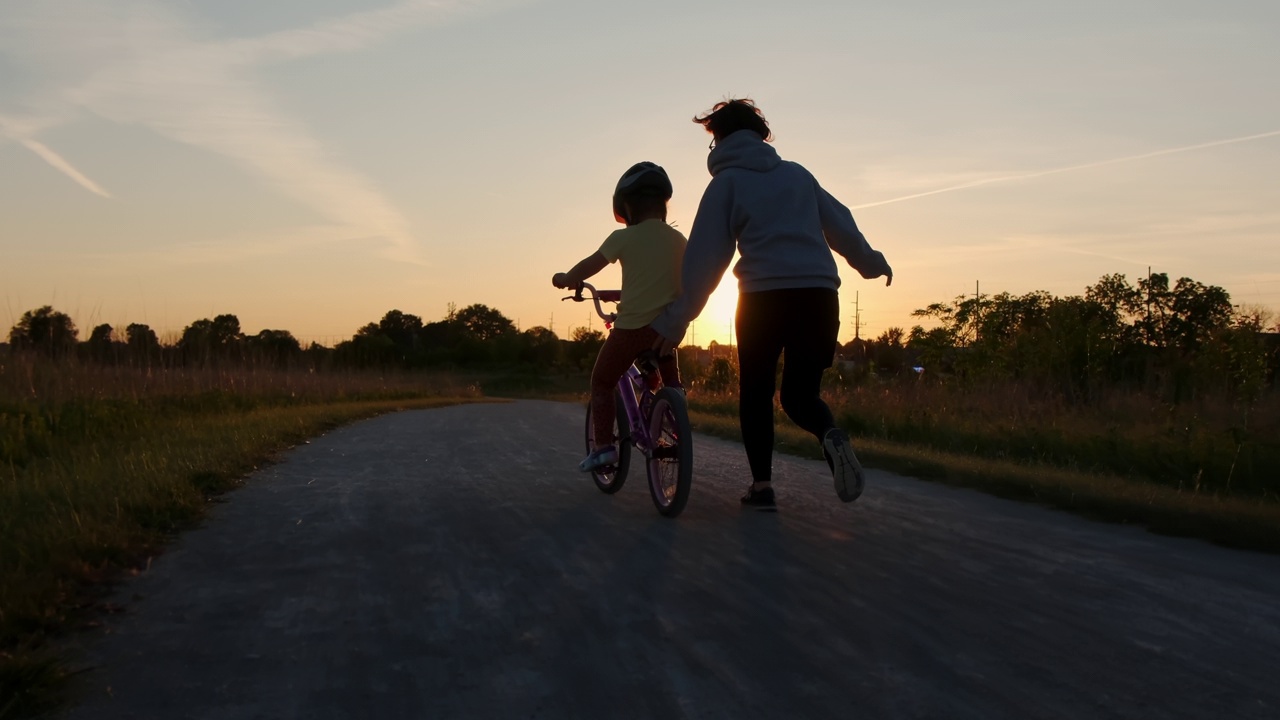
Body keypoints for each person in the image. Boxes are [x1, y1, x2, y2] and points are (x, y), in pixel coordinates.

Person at [650, 99, 892, 511]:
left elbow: (705, 263)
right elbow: (841, 224)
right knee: (800, 396)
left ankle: (762, 488)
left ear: (720, 140)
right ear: (762, 136)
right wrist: (871, 262)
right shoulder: (798, 175)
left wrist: (675, 322)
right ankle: (830, 433)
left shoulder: (726, 185)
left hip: (763, 300)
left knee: (757, 393)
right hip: (818, 296)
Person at [552, 162, 686, 472]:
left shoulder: (623, 238)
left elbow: (591, 265)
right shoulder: (679, 240)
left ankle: (603, 449)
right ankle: (677, 421)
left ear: (626, 205)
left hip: (631, 330)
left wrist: (567, 277)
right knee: (671, 381)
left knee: (602, 381)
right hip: (667, 330)